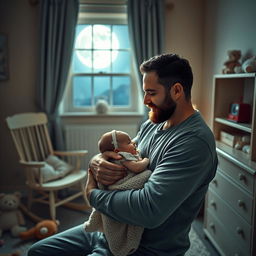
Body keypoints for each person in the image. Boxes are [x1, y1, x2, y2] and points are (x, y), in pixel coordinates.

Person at [28, 53, 218, 256]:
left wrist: (93, 195)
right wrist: (97, 162)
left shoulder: (193, 143)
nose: (145, 100)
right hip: (110, 230)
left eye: (151, 93)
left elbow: (149, 210)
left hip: (142, 248)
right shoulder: (154, 124)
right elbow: (122, 152)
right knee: (37, 251)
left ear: (177, 90)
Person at [84, 130, 151, 256]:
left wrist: (91, 193)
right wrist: (146, 161)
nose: (134, 143)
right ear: (116, 151)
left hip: (148, 246)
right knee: (38, 250)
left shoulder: (127, 153)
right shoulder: (123, 157)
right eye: (129, 142)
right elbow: (137, 168)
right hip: (116, 189)